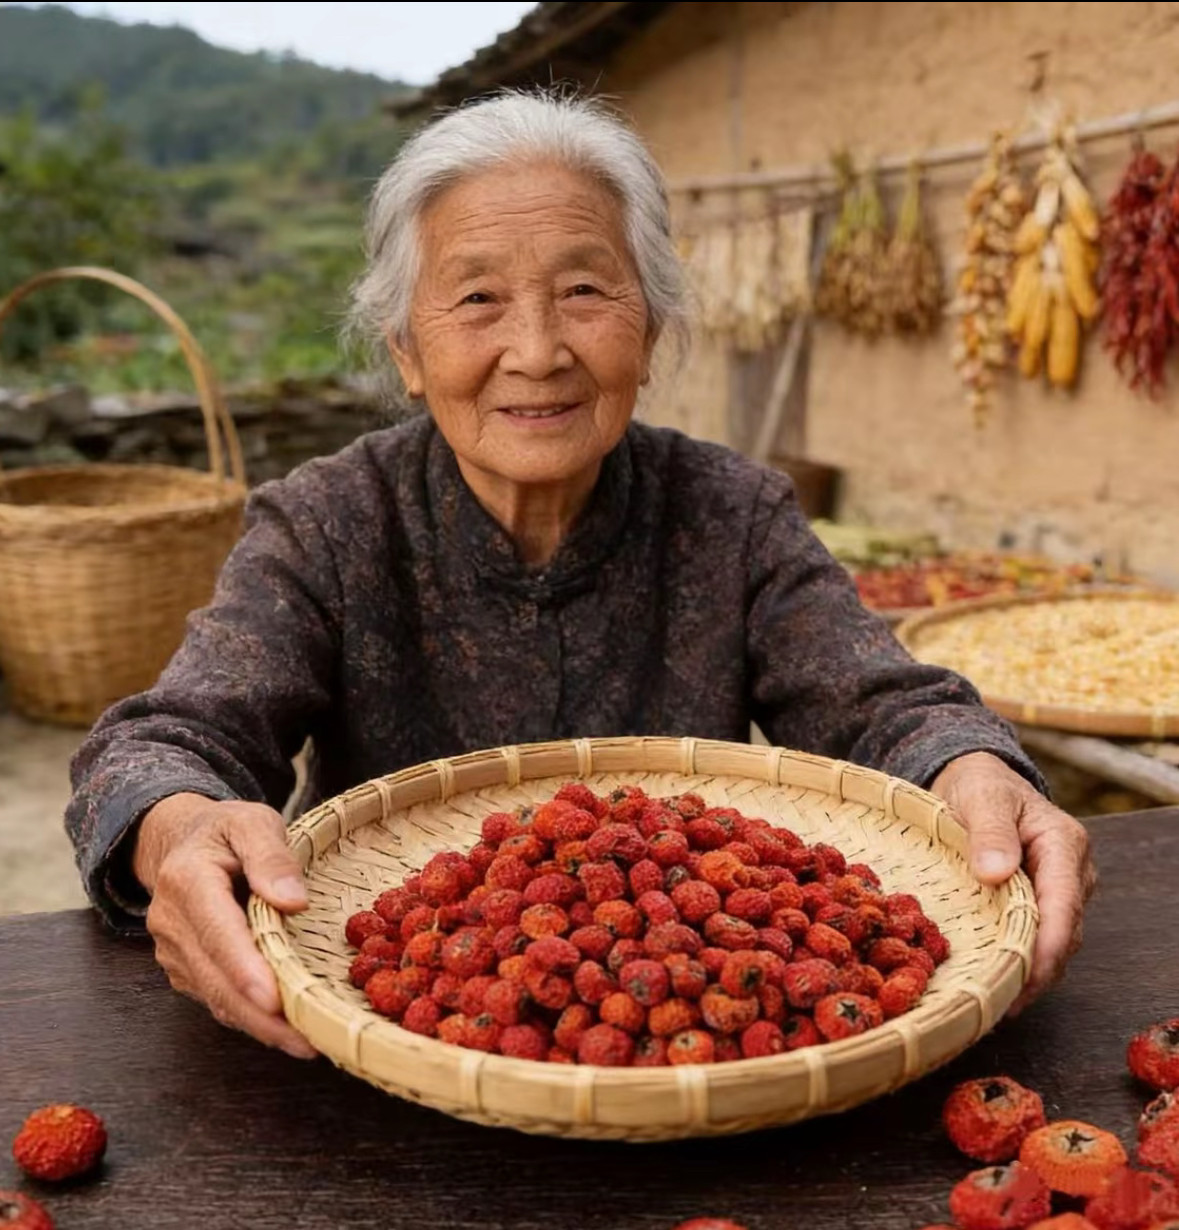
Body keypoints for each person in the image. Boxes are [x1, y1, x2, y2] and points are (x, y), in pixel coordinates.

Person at [65, 91, 1094, 1061]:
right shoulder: (329, 521)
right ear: (407, 352)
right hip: (393, 1024)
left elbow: (884, 706)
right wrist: (179, 827)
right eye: (478, 298)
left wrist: (974, 770)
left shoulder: (732, 512)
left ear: (650, 329)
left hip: (687, 1024)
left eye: (585, 291)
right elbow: (166, 740)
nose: (537, 350)